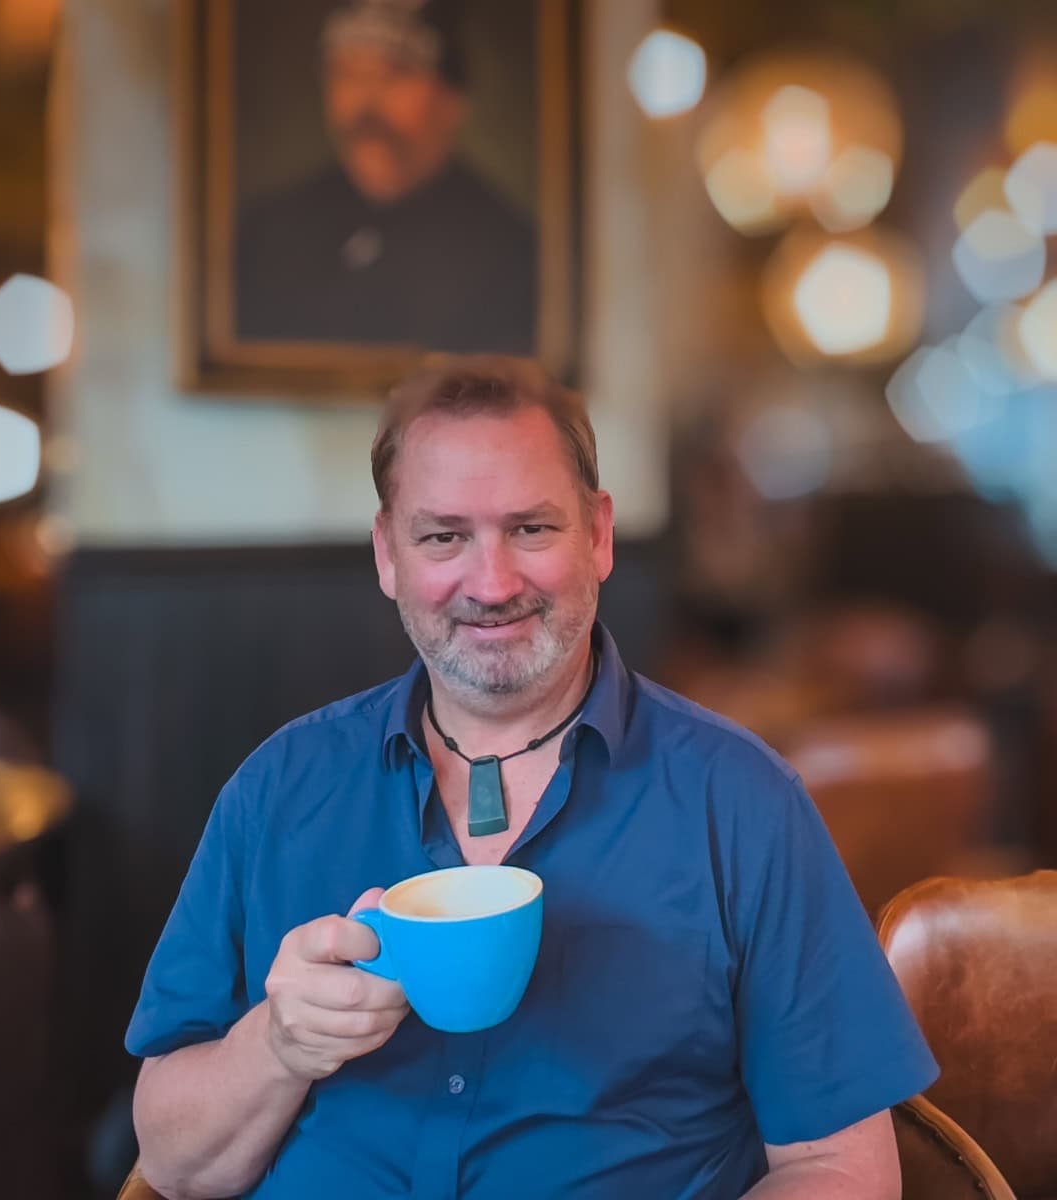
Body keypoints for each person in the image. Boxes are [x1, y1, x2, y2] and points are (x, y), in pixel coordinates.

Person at [126, 356, 937, 1198]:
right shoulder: (279, 789)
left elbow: (840, 1167)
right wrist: (277, 1046)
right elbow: (177, 1166)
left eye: (532, 530)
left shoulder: (742, 803)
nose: (492, 582)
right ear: (387, 555)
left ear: (599, 535)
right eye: (444, 536)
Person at [234, 0, 537, 353]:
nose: (367, 103)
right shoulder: (268, 232)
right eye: (346, 74)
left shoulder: (510, 255)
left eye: (395, 75)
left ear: (452, 100)